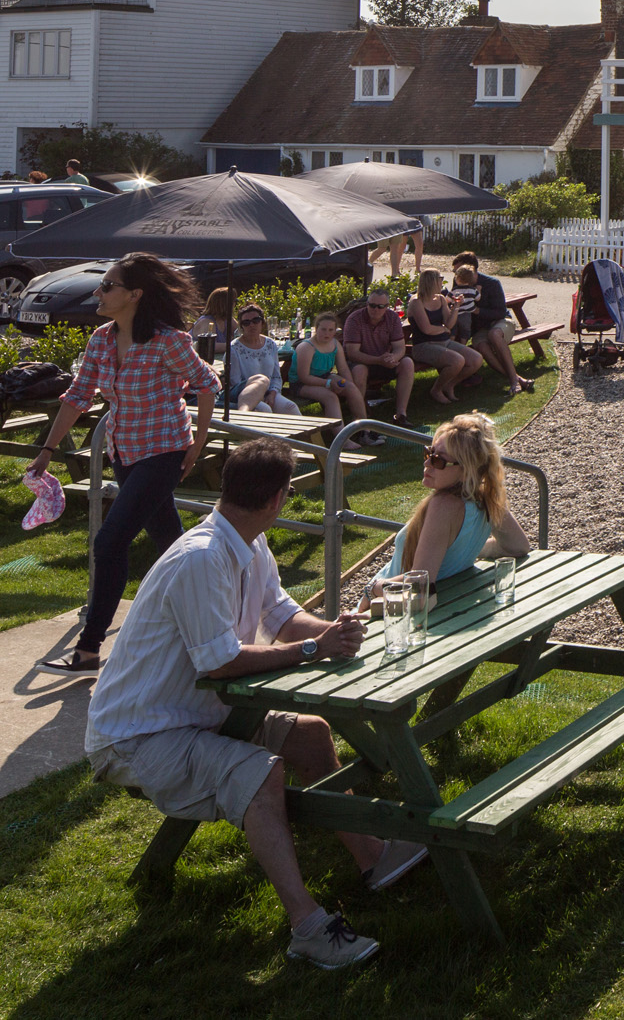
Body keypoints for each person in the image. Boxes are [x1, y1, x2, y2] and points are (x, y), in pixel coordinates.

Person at [82, 438, 426, 969]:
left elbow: (282, 616)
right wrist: (312, 649)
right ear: (279, 498)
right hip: (137, 736)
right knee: (261, 772)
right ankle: (307, 925)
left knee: (310, 733)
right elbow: (218, 663)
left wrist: (332, 632)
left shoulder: (246, 540)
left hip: (198, 716)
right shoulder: (201, 559)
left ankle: (373, 858)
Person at [30, 253, 218, 678]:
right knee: (172, 545)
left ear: (135, 294)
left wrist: (196, 445)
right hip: (124, 452)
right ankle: (211, 624)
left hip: (164, 451)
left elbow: (208, 384)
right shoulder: (101, 337)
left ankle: (88, 650)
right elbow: (79, 396)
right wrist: (46, 451)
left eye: (107, 286)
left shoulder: (170, 341)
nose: (98, 291)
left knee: (110, 541)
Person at [366, 412, 530, 606]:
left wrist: (372, 588)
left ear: (465, 470)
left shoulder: (443, 506)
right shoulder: (485, 499)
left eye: (439, 460)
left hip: (393, 607)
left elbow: (419, 585)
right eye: (428, 453)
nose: (427, 463)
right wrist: (467, 549)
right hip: (452, 600)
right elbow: (518, 546)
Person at [453, 251, 533, 394]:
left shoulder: (491, 283)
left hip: (501, 323)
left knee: (494, 334)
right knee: (482, 346)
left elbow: (500, 312)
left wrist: (477, 310)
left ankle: (514, 381)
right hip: (480, 329)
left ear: (470, 269)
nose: (455, 274)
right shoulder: (459, 283)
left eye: (457, 270)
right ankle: (516, 378)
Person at [406, 268, 484, 405]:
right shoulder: (416, 302)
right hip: (424, 345)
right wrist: (443, 329)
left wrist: (456, 307)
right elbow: (427, 329)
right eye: (440, 279)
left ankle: (449, 384)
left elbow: (449, 323)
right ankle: (436, 390)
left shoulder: (441, 298)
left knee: (476, 359)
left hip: (444, 341)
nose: (442, 282)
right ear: (432, 282)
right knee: (457, 361)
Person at [341, 288, 415, 429]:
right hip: (361, 362)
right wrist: (378, 360)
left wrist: (393, 357)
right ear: (367, 304)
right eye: (372, 305)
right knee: (360, 371)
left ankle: (401, 414)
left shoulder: (392, 318)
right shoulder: (355, 319)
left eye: (380, 306)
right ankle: (359, 418)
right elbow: (352, 353)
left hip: (384, 361)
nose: (376, 309)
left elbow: (400, 347)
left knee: (407, 363)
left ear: (387, 307)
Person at [292, 311, 370, 438]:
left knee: (351, 388)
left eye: (330, 330)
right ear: (316, 329)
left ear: (335, 331)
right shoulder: (307, 347)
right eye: (323, 329)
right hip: (301, 384)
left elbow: (343, 368)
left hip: (324, 376)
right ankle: (342, 438)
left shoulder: (335, 344)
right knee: (330, 397)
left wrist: (350, 385)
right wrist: (328, 383)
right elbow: (304, 377)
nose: (327, 333)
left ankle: (364, 429)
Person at [228, 303, 300, 416]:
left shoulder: (270, 344)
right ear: (241, 326)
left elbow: (276, 376)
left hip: (269, 392)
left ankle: (302, 434)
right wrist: (258, 396)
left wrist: (272, 394)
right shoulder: (234, 349)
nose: (251, 325)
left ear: (262, 322)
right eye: (246, 323)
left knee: (291, 407)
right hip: (245, 395)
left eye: (256, 320)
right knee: (265, 410)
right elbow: (235, 383)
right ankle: (268, 434)